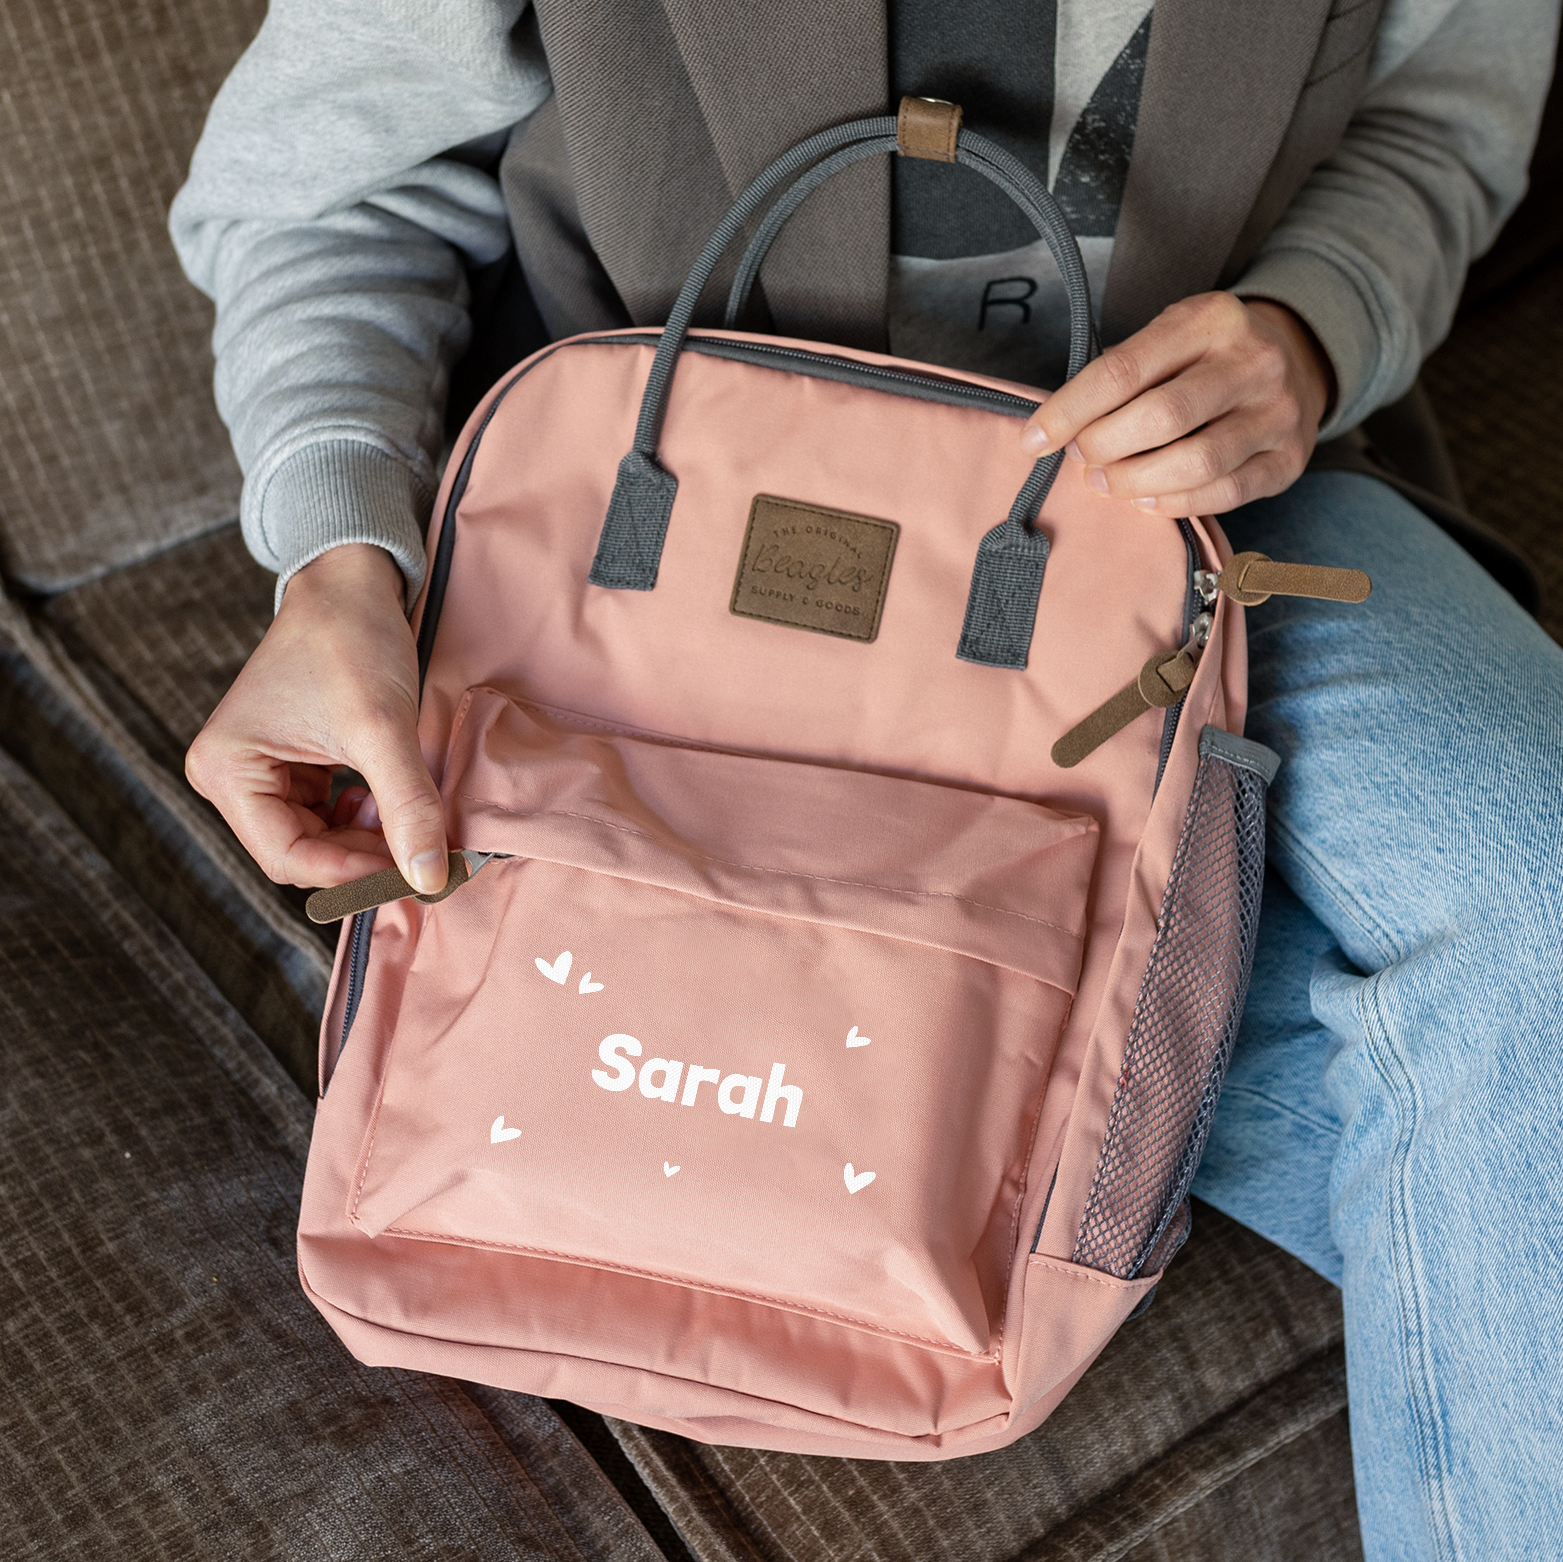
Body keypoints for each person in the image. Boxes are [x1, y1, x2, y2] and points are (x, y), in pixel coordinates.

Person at [171, 3, 1563, 1556]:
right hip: (662, 514)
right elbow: (322, 186)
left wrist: (1311, 326)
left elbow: (1437, 130)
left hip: (1181, 517)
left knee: (1540, 876)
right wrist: (337, 556)